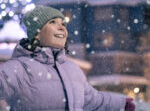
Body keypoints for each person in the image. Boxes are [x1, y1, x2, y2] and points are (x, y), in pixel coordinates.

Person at [0, 6, 135, 111]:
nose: (61, 27)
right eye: (53, 22)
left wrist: (121, 103)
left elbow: (92, 100)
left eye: (63, 24)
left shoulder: (71, 69)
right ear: (36, 33)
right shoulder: (18, 68)